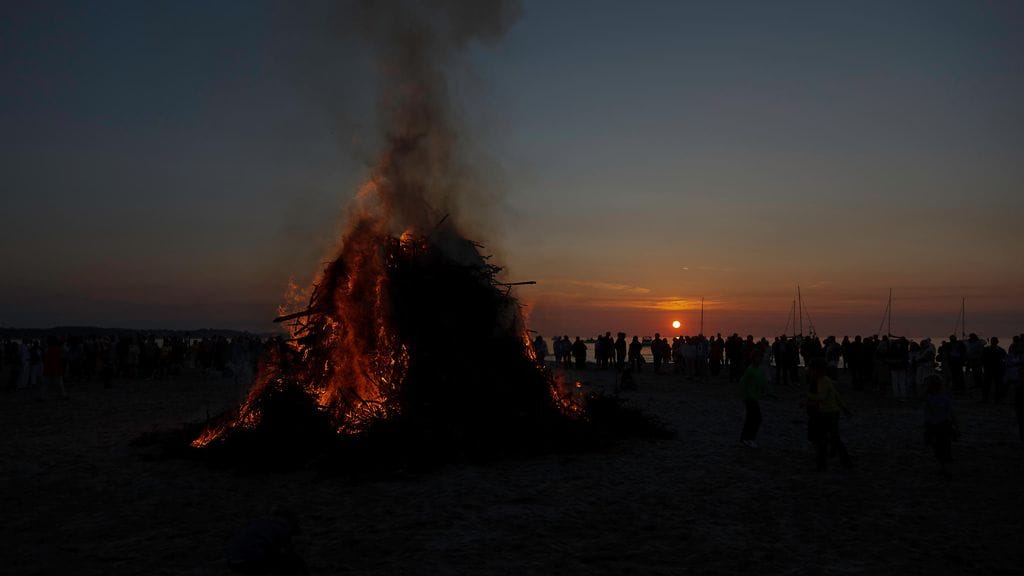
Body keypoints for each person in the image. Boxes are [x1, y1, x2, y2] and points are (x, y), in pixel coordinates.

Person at [226, 507, 307, 575]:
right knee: (290, 563)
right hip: (251, 559)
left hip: (232, 560)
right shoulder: (281, 528)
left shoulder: (258, 523)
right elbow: (287, 551)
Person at [806, 358, 853, 470]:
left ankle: (826, 463)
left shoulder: (823, 381)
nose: (811, 372)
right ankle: (844, 462)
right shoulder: (825, 380)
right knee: (830, 438)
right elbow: (836, 395)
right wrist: (845, 409)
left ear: (818, 370)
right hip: (830, 412)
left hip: (828, 413)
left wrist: (809, 397)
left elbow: (823, 397)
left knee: (826, 439)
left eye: (812, 370)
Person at [922, 374, 957, 479]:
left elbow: (951, 413)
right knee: (942, 447)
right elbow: (952, 413)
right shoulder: (943, 398)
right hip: (941, 425)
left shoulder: (932, 398)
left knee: (940, 447)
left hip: (937, 426)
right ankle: (945, 467)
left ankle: (944, 467)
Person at [739, 349, 768, 448]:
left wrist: (766, 391)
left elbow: (762, 381)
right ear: (754, 358)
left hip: (755, 397)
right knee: (755, 419)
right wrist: (743, 396)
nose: (760, 359)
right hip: (750, 398)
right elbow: (743, 383)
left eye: (761, 357)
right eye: (758, 357)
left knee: (753, 419)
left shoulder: (759, 370)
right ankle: (748, 439)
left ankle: (745, 439)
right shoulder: (750, 370)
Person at [981, 337, 1006, 403]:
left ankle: (996, 399)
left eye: (994, 341)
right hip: (989, 369)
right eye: (993, 341)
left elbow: (1005, 359)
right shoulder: (986, 349)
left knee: (997, 385)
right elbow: (982, 359)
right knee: (987, 385)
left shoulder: (1000, 350)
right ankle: (986, 398)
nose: (993, 342)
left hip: (996, 369)